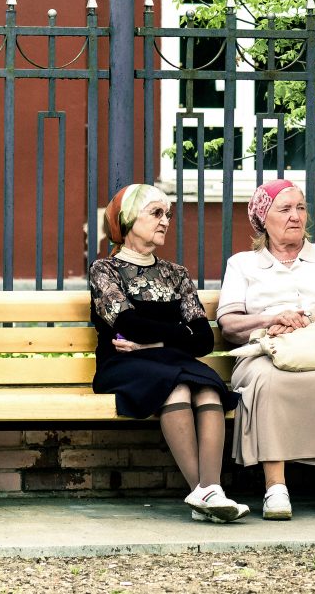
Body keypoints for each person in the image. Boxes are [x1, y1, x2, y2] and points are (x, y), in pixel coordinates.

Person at [216, 179, 315, 520]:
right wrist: (272, 318)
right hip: (268, 350)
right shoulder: (242, 264)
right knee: (264, 380)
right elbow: (229, 324)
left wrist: (302, 317)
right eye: (285, 209)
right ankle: (276, 488)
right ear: (263, 219)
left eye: (301, 207)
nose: (295, 216)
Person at [89, 183, 249, 523]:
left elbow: (203, 339)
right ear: (129, 218)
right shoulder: (105, 270)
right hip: (123, 364)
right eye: (156, 213)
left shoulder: (176, 274)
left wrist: (157, 343)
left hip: (167, 360)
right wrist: (177, 335)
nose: (165, 221)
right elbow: (127, 325)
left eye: (168, 214)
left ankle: (210, 491)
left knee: (208, 388)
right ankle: (205, 491)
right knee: (176, 386)